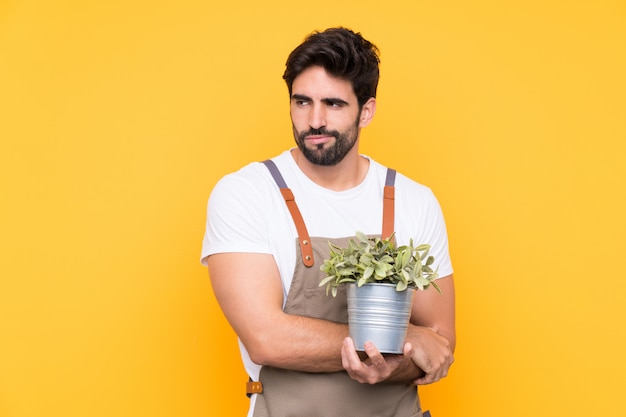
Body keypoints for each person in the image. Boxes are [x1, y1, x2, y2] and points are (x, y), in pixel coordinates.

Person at [201, 27, 455, 417]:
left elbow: (438, 346)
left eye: (334, 104)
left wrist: (392, 362)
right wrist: (400, 337)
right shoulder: (246, 193)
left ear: (365, 111)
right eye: (302, 102)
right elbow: (267, 338)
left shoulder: (414, 201)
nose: (315, 121)